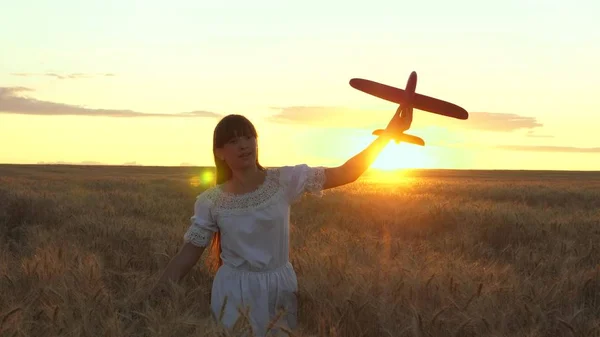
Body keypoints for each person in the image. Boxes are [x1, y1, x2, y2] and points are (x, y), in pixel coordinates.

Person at [154, 113, 409, 336]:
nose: (244, 145)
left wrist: (386, 137)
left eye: (248, 137)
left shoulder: (284, 181)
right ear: (219, 152)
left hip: (280, 287)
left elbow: (347, 172)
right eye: (233, 141)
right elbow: (189, 253)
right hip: (233, 291)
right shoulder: (211, 202)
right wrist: (155, 292)